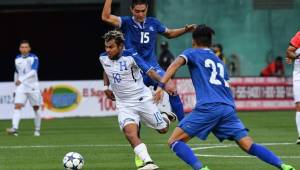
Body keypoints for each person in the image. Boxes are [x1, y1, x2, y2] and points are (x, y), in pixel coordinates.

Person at [153, 25, 295, 170]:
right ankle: (282, 165)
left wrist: (160, 86)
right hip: (227, 108)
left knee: (174, 141)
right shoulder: (218, 60)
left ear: (193, 41)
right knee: (248, 145)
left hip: (209, 107)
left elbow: (174, 65)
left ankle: (200, 169)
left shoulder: (192, 53)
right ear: (210, 41)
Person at [101, 0, 196, 123]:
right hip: (134, 70)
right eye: (137, 11)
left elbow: (170, 33)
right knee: (134, 105)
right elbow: (106, 16)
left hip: (152, 66)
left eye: (143, 11)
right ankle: (154, 119)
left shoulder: (153, 23)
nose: (140, 14)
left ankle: (184, 125)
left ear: (147, 9)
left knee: (172, 89)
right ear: (131, 10)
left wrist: (185, 30)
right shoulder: (126, 22)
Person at [99, 30, 176, 170]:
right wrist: (106, 87)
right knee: (130, 134)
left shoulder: (131, 56)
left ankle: (165, 115)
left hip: (142, 99)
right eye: (106, 46)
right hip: (124, 104)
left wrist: (164, 83)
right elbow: (106, 69)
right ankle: (149, 162)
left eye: (111, 47)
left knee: (163, 129)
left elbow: (150, 71)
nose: (107, 50)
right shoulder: (103, 58)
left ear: (120, 46)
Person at [6, 40, 42, 137]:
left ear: (29, 48)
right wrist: (15, 87)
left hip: (33, 86)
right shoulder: (17, 59)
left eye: (26, 47)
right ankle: (14, 129)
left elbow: (33, 72)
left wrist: (21, 79)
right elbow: (16, 73)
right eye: (22, 47)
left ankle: (37, 130)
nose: (24, 49)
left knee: (36, 108)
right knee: (17, 106)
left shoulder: (34, 58)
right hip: (21, 87)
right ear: (19, 48)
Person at [286, 31, 300, 144]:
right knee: (299, 105)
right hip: (299, 76)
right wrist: (296, 57)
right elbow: (289, 52)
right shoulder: (299, 35)